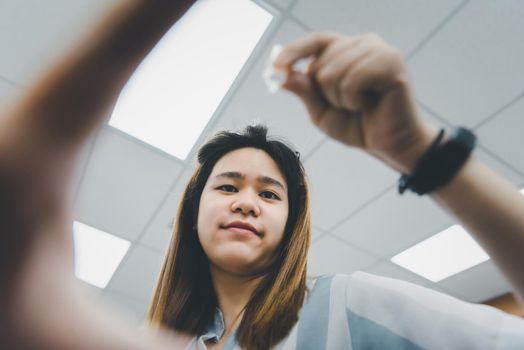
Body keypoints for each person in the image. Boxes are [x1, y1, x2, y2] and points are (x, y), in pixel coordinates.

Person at [1, 0, 524, 349]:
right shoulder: (161, 339)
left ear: (292, 224)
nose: (247, 202)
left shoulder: (350, 304)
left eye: (270, 194)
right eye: (227, 186)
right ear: (193, 212)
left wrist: (423, 153)